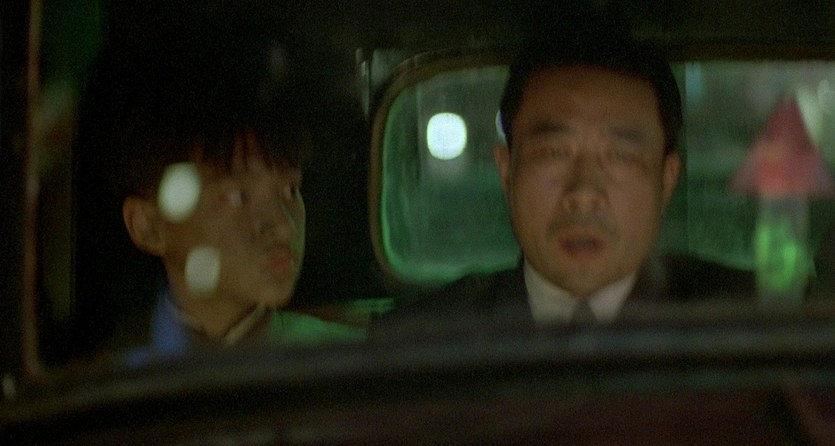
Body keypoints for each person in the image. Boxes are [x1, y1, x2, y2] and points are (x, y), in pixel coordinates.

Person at [371, 28, 754, 337]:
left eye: (620, 156)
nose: (584, 193)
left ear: (666, 181)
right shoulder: (419, 344)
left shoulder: (749, 330)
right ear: (507, 172)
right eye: (554, 152)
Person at [74, 28, 364, 361]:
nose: (284, 227)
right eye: (238, 197)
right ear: (148, 225)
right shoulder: (116, 377)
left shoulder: (343, 362)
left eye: (289, 190)